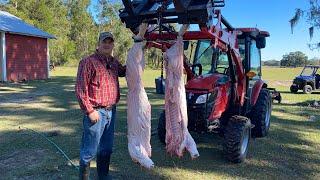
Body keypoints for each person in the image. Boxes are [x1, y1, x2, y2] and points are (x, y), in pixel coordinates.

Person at [75, 32, 126, 180]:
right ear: (98, 43)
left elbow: (124, 71)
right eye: (104, 41)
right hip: (96, 112)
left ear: (113, 45)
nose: (107, 44)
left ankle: (103, 176)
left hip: (111, 111)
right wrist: (89, 110)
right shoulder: (88, 62)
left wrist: (138, 50)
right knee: (89, 151)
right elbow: (80, 89)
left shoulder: (114, 62)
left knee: (107, 148)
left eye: (110, 42)